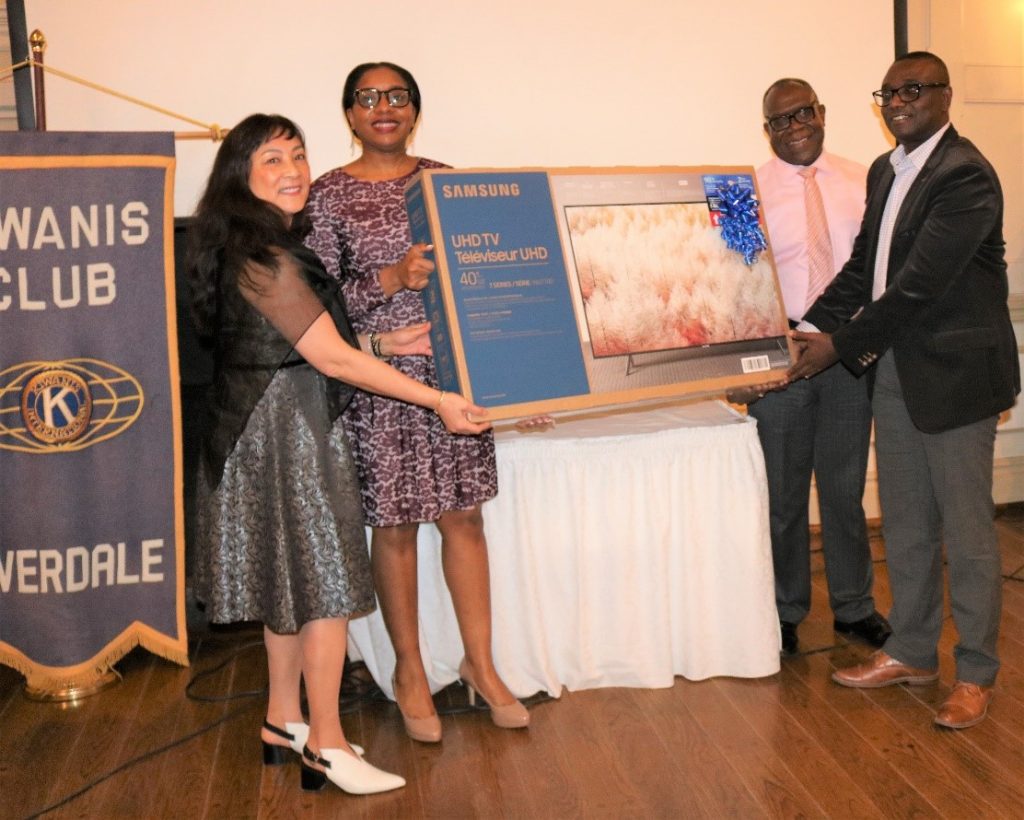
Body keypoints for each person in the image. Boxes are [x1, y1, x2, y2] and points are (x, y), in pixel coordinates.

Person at [187, 113, 491, 795]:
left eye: (297, 155)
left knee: (286, 587)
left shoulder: (251, 245)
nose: (292, 170)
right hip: (286, 438)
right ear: (241, 176)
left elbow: (301, 345)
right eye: (271, 160)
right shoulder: (268, 255)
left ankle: (280, 719)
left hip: (259, 435)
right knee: (323, 589)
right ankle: (324, 743)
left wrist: (388, 346)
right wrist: (438, 400)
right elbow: (331, 358)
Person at [789, 52, 1019, 729]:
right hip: (892, 372)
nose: (897, 102)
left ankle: (976, 671)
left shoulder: (966, 173)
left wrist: (835, 347)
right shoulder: (889, 170)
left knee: (969, 534)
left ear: (946, 96)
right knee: (910, 525)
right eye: (887, 92)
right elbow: (866, 270)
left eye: (913, 90)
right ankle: (914, 650)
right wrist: (803, 330)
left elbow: (918, 286)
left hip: (954, 379)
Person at [305, 62, 529, 741]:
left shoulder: (449, 182)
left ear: (415, 110)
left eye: (397, 96)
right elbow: (312, 303)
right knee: (395, 529)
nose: (384, 107)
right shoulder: (325, 197)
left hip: (455, 378)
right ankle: (407, 671)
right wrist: (390, 279)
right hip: (379, 387)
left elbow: (490, 278)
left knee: (464, 520)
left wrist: (519, 371)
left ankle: (481, 665)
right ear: (348, 115)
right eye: (368, 97)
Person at [737, 79, 890, 656]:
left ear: (822, 114)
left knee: (846, 490)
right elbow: (736, 278)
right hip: (783, 353)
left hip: (849, 351)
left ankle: (854, 609)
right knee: (783, 494)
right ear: (768, 129)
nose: (794, 125)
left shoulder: (865, 179)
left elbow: (878, 270)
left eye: (803, 113)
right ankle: (784, 612)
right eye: (780, 119)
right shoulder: (743, 191)